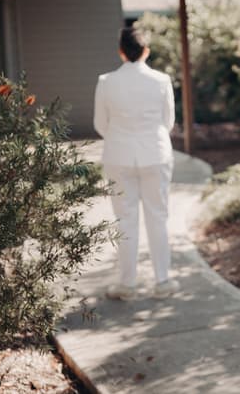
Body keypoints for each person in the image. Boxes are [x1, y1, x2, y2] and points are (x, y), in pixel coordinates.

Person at [94, 27, 179, 300]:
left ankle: (128, 285)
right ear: (146, 51)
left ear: (121, 51)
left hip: (118, 155)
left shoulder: (106, 81)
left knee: (125, 219)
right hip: (155, 154)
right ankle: (163, 281)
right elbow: (168, 122)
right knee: (158, 217)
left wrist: (121, 138)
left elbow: (100, 124)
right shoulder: (162, 80)